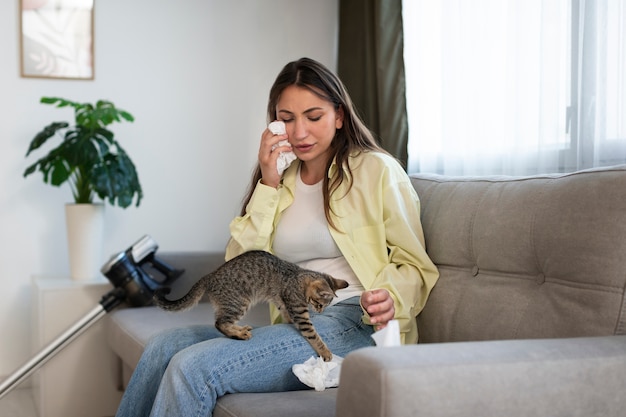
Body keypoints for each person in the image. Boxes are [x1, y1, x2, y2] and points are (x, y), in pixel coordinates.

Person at [115, 57, 439, 417]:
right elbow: (238, 267)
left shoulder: (375, 170)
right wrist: (267, 183)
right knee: (163, 347)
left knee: (193, 367)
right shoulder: (280, 181)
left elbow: (414, 265)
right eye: (287, 119)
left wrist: (390, 297)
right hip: (297, 320)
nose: (299, 132)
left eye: (313, 117)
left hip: (354, 321)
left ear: (339, 116)